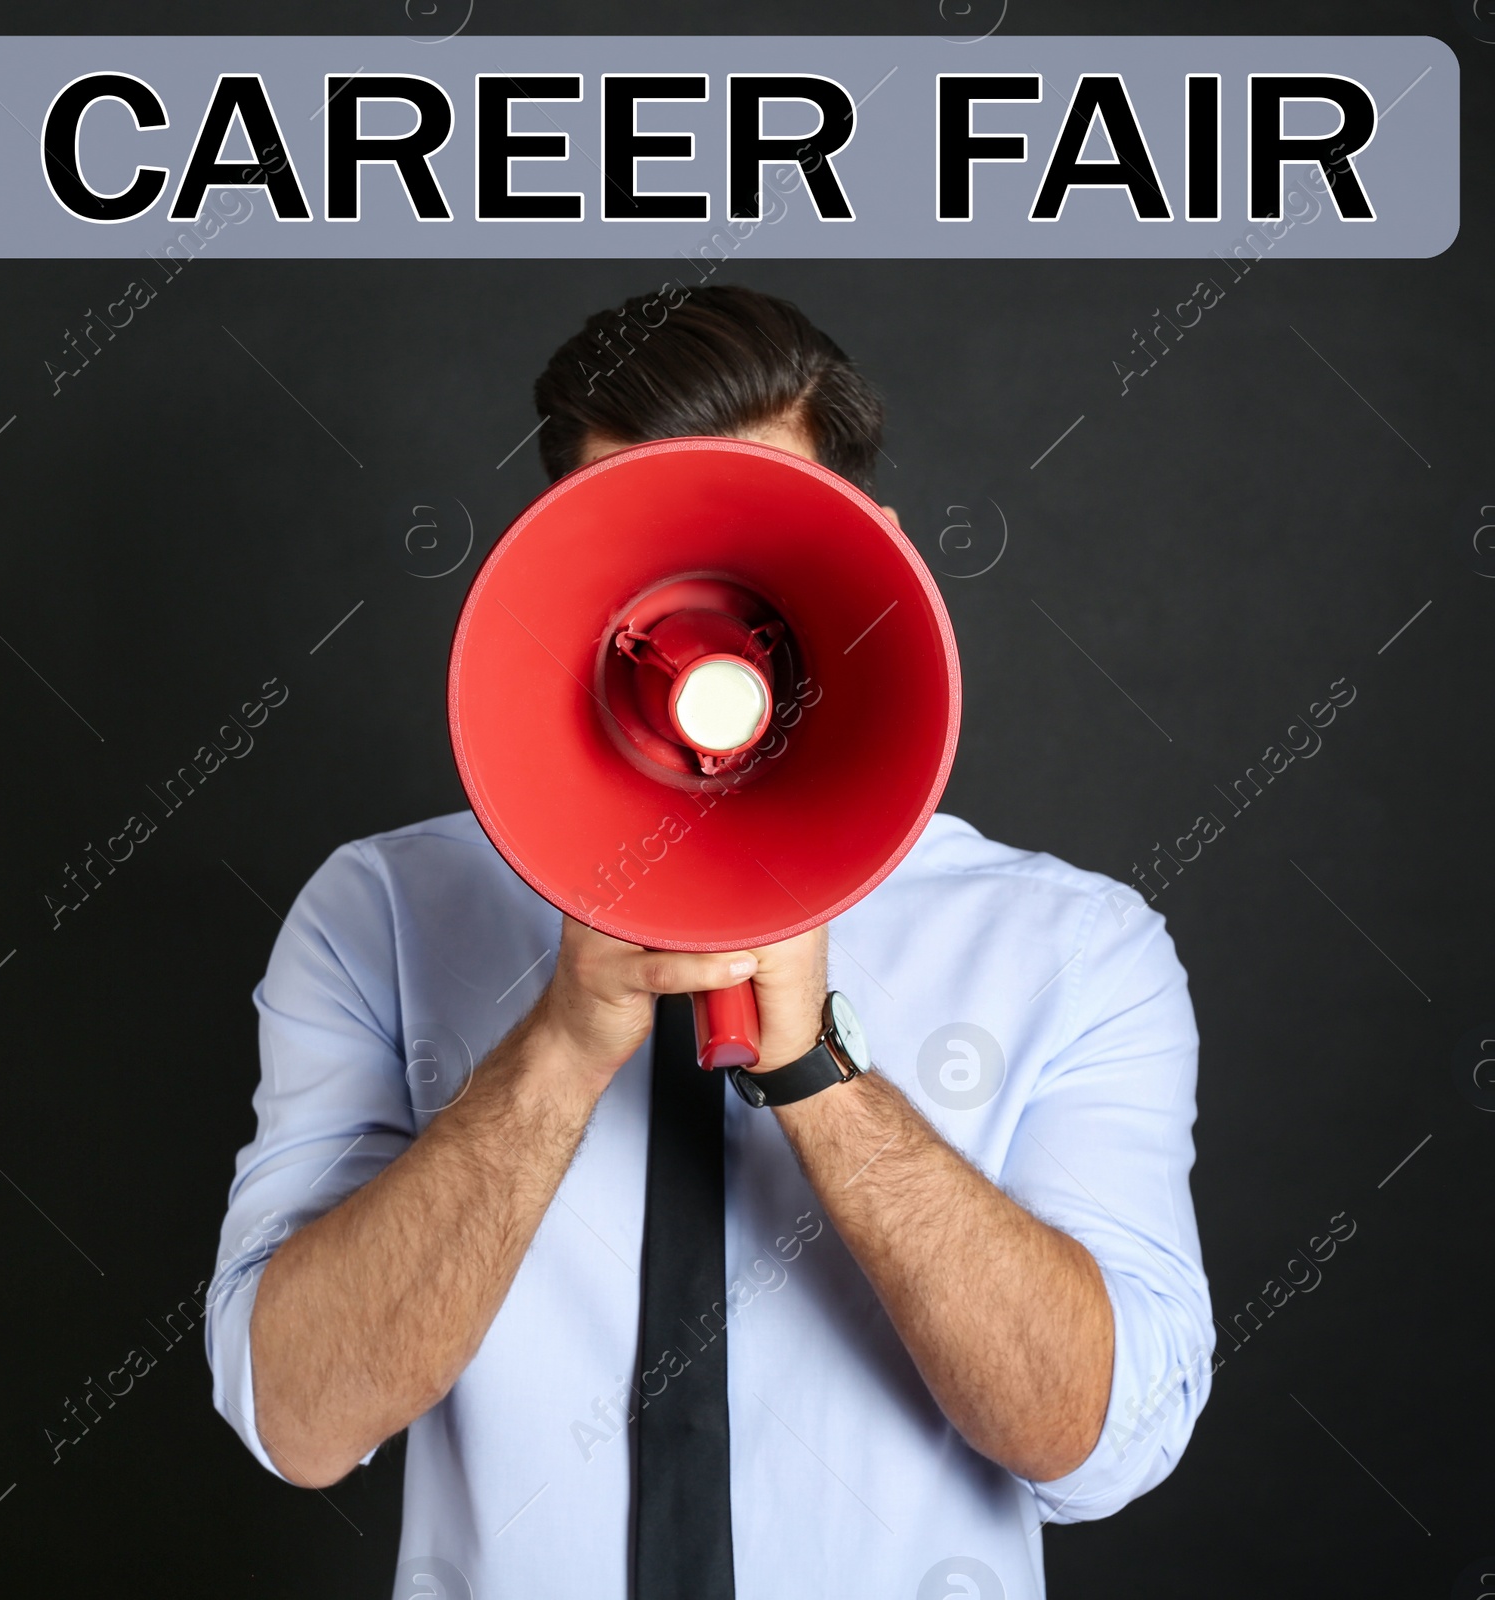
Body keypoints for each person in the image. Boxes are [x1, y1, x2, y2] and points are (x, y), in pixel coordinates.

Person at [205, 284, 1213, 1599]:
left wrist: (817, 1073)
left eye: (758, 541)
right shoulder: (384, 911)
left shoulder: (1069, 946)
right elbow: (300, 1421)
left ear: (881, 560)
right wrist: (564, 1046)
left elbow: (1100, 1447)